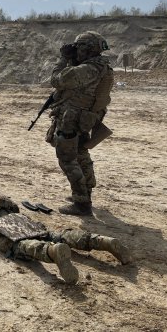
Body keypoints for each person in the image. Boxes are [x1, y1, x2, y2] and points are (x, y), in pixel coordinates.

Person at [0, 161, 132, 285]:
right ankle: (102, 241)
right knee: (51, 234)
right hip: (9, 215)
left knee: (18, 245)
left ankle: (52, 252)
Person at [47, 31, 114, 216]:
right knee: (81, 154)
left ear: (87, 49)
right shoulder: (101, 66)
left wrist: (63, 59)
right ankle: (85, 193)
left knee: (68, 158)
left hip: (72, 120)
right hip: (84, 119)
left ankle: (81, 202)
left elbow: (57, 80)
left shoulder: (88, 69)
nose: (76, 51)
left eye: (79, 48)